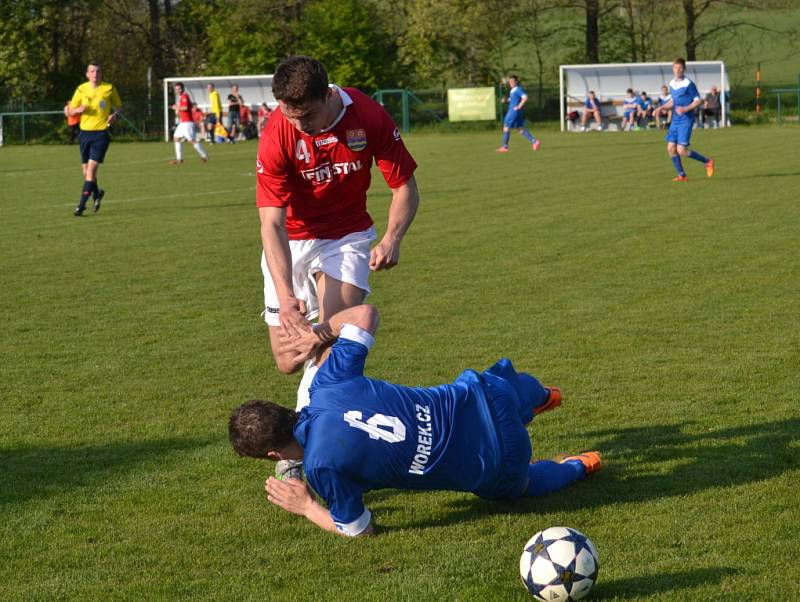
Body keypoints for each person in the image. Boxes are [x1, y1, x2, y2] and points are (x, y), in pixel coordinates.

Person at [228, 304, 603, 537]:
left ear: (275, 455)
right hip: (486, 398)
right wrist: (319, 335)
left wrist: (307, 506)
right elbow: (365, 314)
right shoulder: (327, 382)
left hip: (498, 463)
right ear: (282, 408)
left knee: (519, 488)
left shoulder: (323, 468)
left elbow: (360, 531)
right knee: (505, 384)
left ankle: (577, 468)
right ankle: (539, 398)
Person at [256, 56, 420, 480]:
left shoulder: (366, 116)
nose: (299, 125)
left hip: (347, 238)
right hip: (291, 241)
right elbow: (270, 223)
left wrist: (391, 238)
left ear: (328, 95)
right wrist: (287, 296)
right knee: (287, 361)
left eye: (306, 115)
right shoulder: (277, 133)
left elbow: (404, 185)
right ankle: (335, 429)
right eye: (291, 116)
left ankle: (306, 450)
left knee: (327, 345)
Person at [66, 61, 122, 216]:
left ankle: (81, 206)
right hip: (84, 133)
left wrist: (115, 115)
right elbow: (69, 111)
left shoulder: (109, 88)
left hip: (101, 134)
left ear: (101, 73)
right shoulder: (81, 89)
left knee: (91, 169)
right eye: (92, 71)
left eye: (98, 71)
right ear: (87, 74)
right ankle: (96, 194)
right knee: (86, 172)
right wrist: (78, 109)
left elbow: (119, 106)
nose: (95, 74)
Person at [653, 58, 715, 182]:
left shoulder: (688, 84)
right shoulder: (671, 84)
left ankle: (707, 161)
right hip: (675, 120)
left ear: (684, 69)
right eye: (675, 67)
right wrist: (661, 107)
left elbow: (698, 100)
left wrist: (686, 108)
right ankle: (682, 175)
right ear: (672, 69)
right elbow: (673, 102)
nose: (677, 70)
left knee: (681, 150)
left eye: (680, 68)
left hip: (686, 120)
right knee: (670, 148)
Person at [496, 75, 540, 152]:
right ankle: (535, 141)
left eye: (513, 81)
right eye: (510, 81)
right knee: (520, 129)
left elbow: (525, 97)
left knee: (506, 127)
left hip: (513, 112)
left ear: (516, 82)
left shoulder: (518, 89)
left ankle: (505, 147)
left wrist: (519, 106)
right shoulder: (513, 90)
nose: (511, 83)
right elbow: (513, 99)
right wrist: (506, 100)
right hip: (517, 112)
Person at [169, 82, 208, 165]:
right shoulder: (181, 97)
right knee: (176, 138)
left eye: (179, 89)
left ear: (182, 88)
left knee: (191, 141)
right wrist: (176, 107)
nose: (178, 90)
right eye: (176, 89)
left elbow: (185, 108)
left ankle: (204, 155)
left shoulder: (184, 96)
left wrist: (176, 107)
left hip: (187, 123)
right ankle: (179, 159)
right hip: (183, 122)